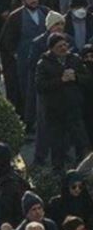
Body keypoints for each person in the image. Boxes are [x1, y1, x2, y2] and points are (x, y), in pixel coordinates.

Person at [35, 32, 91, 169]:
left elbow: (88, 79)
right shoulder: (43, 64)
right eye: (59, 46)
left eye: (65, 45)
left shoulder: (74, 59)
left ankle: (85, 172)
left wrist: (76, 77)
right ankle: (58, 173)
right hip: (55, 111)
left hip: (74, 109)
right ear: (51, 48)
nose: (63, 48)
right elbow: (40, 86)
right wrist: (61, 80)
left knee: (82, 143)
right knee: (58, 147)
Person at [0, 0, 50, 117]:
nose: (33, 0)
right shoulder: (15, 17)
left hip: (46, 58)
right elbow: (7, 41)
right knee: (27, 91)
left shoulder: (45, 12)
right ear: (23, 1)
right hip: (25, 62)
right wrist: (16, 54)